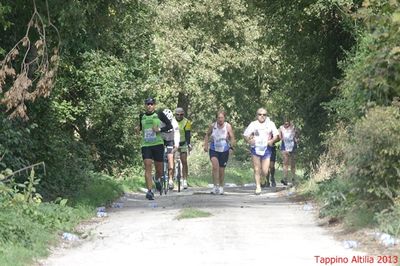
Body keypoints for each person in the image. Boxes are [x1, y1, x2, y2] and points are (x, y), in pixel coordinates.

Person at [139, 97, 172, 200]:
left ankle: (156, 179)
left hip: (158, 144)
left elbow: (169, 126)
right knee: (148, 166)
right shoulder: (142, 116)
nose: (149, 106)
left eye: (151, 104)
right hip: (146, 145)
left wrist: (159, 129)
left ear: (154, 105)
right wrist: (137, 129)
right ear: (145, 105)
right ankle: (149, 191)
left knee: (160, 170)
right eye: (148, 104)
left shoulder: (159, 114)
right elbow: (141, 127)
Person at [243, 108, 279, 195]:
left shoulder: (270, 124)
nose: (262, 116)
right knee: (256, 168)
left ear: (266, 116)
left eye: (264, 114)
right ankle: (258, 187)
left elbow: (276, 135)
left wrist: (271, 141)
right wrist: (249, 141)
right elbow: (245, 135)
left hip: (266, 148)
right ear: (257, 115)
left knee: (265, 171)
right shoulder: (253, 124)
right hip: (255, 148)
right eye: (260, 114)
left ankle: (263, 178)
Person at [203, 110, 236, 195]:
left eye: (222, 118)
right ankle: (215, 186)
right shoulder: (213, 126)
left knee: (221, 170)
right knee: (215, 166)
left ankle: (221, 186)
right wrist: (206, 145)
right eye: (219, 118)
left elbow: (232, 137)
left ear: (224, 118)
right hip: (214, 149)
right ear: (216, 118)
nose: (220, 119)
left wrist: (232, 148)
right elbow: (207, 135)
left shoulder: (228, 126)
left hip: (224, 150)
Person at [160, 108, 180, 190]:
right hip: (161, 139)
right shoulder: (159, 122)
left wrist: (176, 144)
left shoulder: (174, 123)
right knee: (159, 158)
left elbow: (177, 134)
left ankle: (170, 179)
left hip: (170, 140)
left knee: (170, 157)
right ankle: (159, 176)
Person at [279, 118, 299, 185]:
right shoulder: (281, 128)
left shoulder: (293, 127)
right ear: (283, 122)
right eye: (285, 122)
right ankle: (285, 178)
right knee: (285, 163)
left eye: (287, 122)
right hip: (284, 145)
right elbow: (280, 137)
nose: (286, 124)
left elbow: (297, 135)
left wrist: (296, 138)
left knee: (293, 163)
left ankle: (293, 178)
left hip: (293, 146)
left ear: (289, 122)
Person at [175, 107, 192, 189]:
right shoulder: (172, 121)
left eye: (181, 114)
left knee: (184, 161)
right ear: (175, 114)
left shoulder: (187, 122)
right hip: (174, 143)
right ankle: (170, 179)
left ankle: (185, 180)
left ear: (183, 114)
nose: (179, 116)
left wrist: (188, 144)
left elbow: (188, 134)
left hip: (183, 142)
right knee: (170, 160)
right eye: (177, 114)